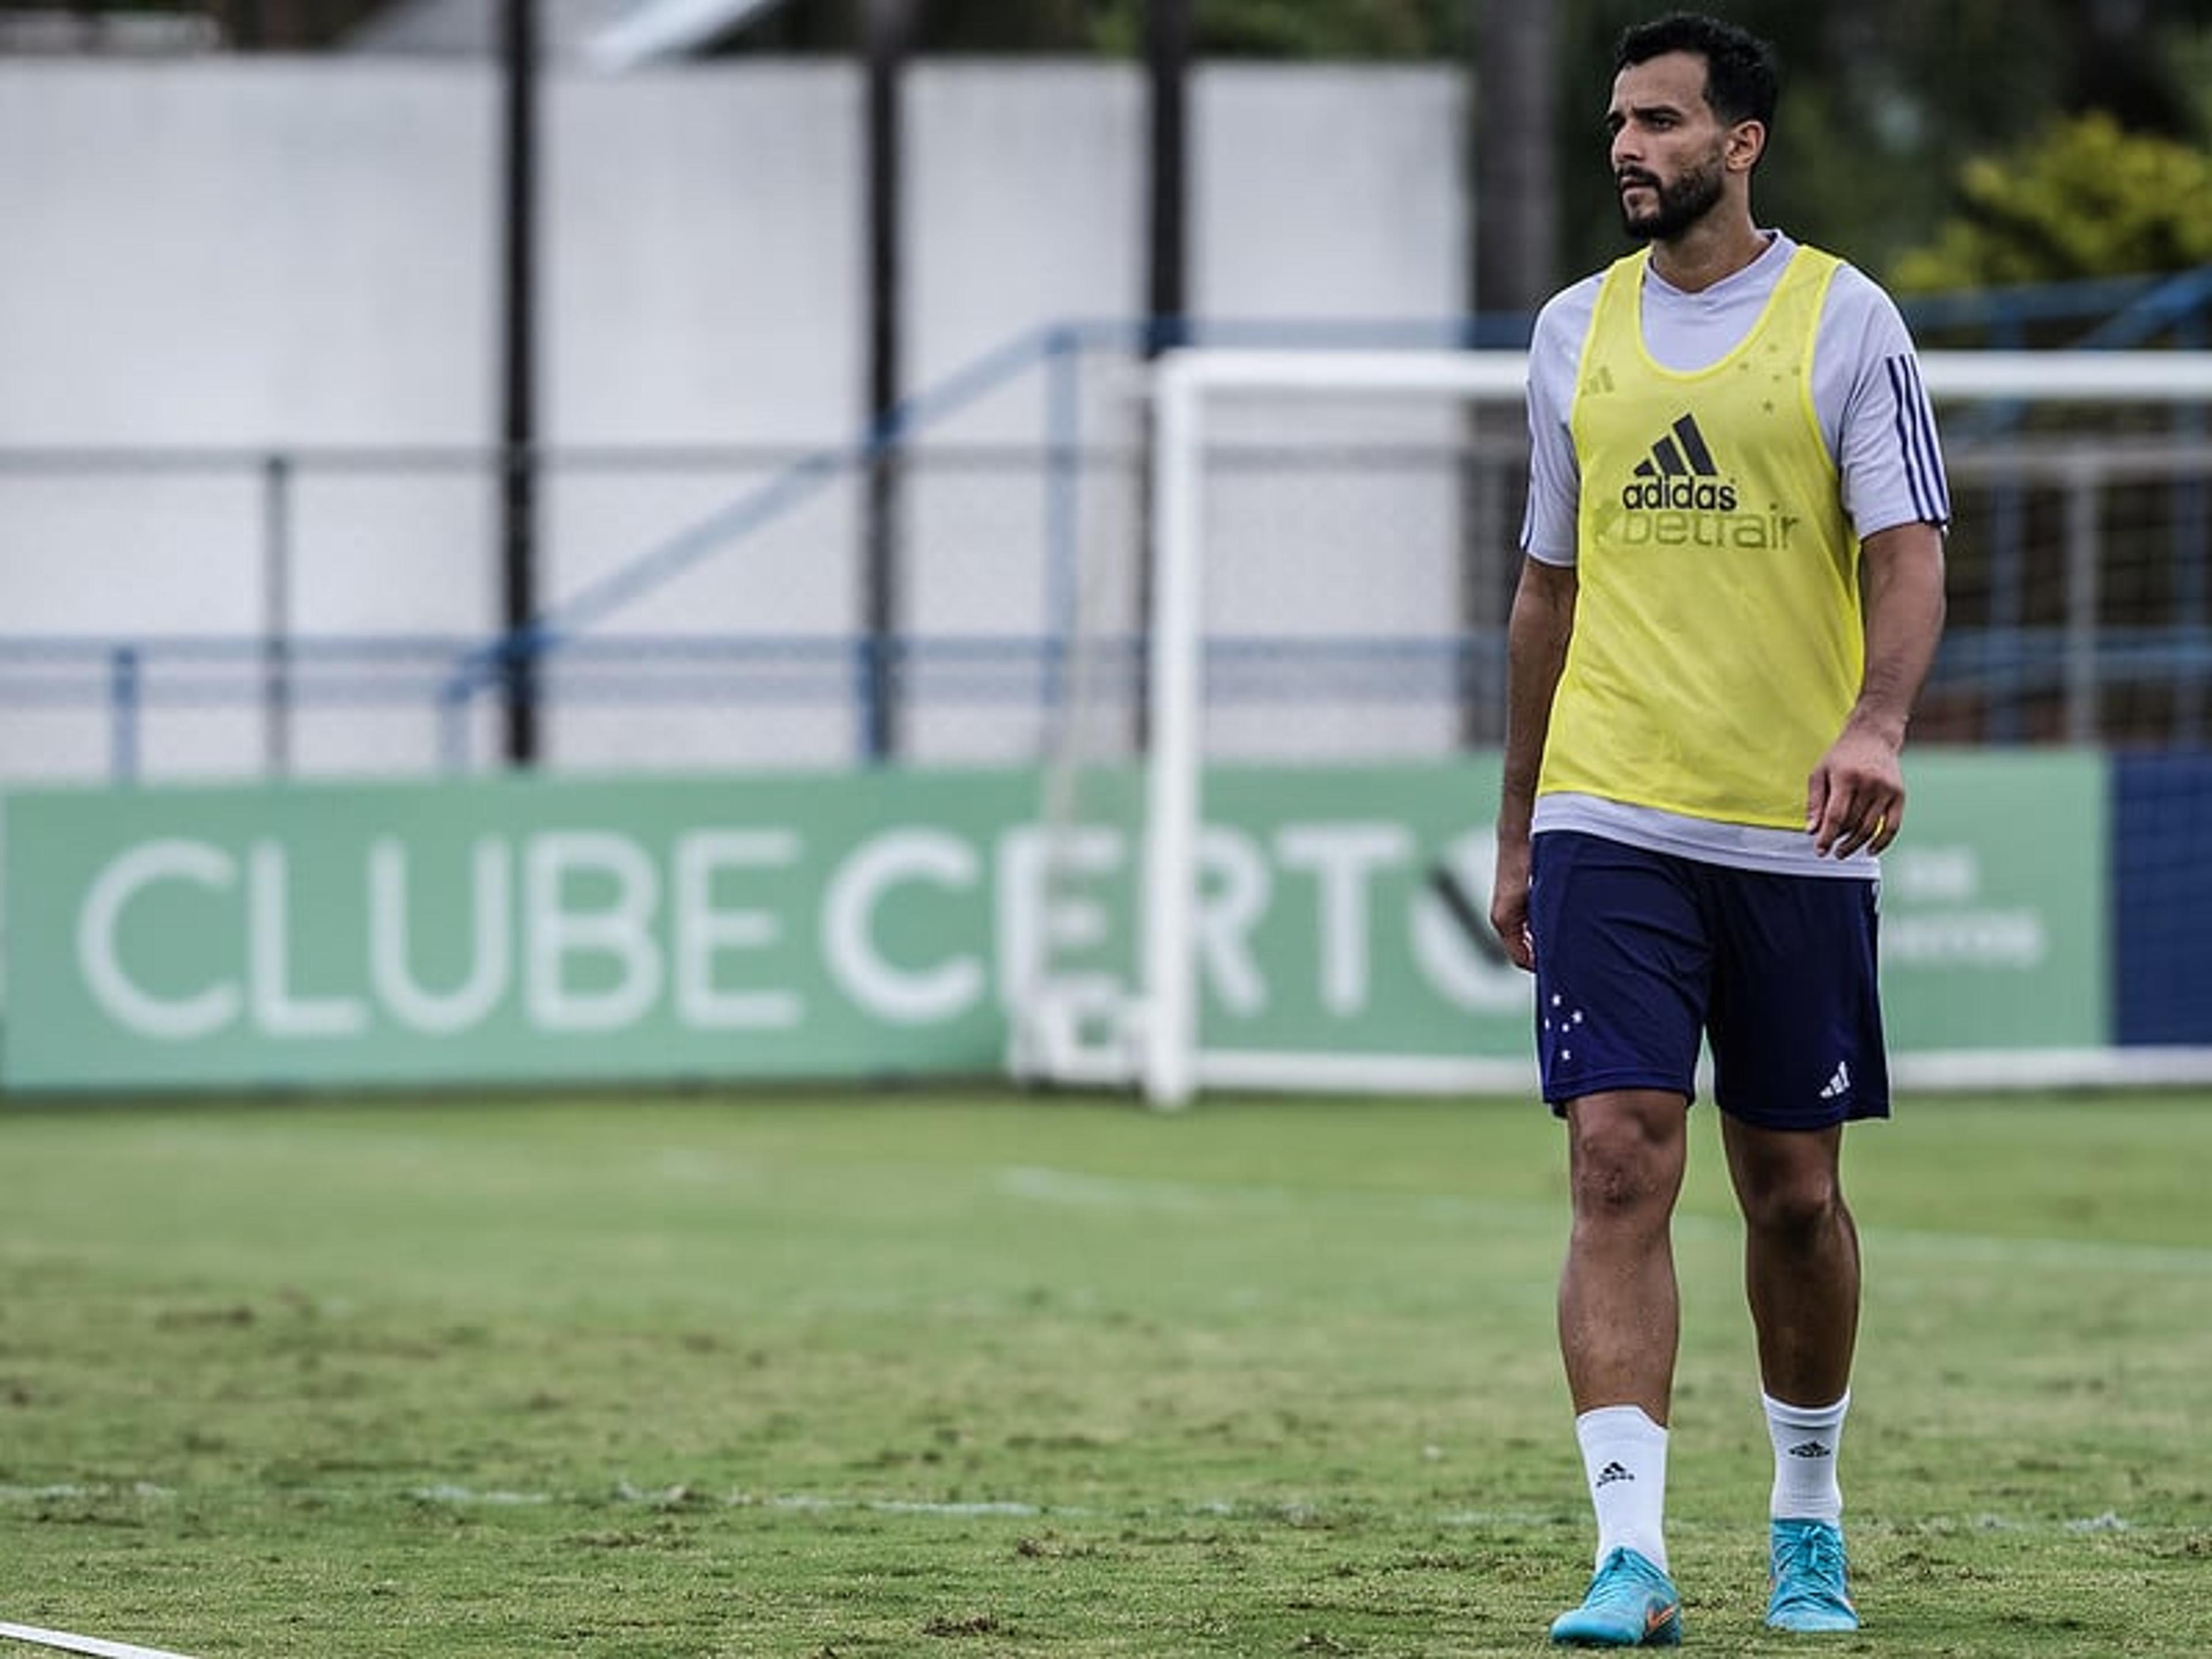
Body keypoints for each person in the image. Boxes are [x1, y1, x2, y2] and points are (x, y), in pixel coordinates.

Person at [1486, 12, 1949, 1647]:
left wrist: (1877, 720)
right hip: (1613, 809)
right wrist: (1522, 825)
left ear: (1738, 145)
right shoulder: (1569, 336)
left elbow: (1906, 551)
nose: (1628, 144)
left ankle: (1806, 1519)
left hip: (1789, 826)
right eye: (1618, 118)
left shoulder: (1845, 320)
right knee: (1616, 1160)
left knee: (1794, 1196)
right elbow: (1545, 592)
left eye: (1662, 121)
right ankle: (1630, 1556)